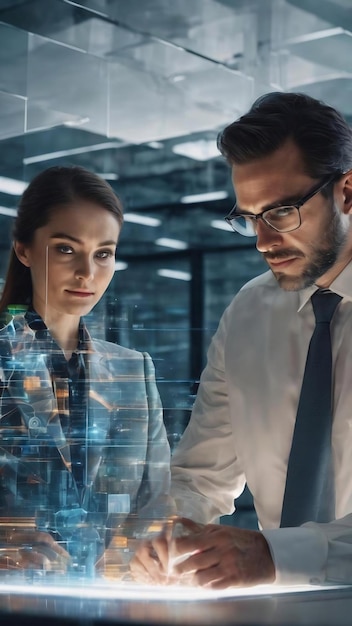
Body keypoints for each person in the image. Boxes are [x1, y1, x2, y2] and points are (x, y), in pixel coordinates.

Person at [130, 91, 352, 589]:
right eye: (250, 217)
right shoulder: (249, 314)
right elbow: (200, 475)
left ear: (348, 192)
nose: (263, 240)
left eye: (282, 212)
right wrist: (168, 532)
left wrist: (275, 556)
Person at [0, 165, 170, 576]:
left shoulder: (133, 371)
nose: (87, 273)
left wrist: (141, 562)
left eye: (103, 253)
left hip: (112, 607)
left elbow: (155, 508)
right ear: (23, 249)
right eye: (65, 248)